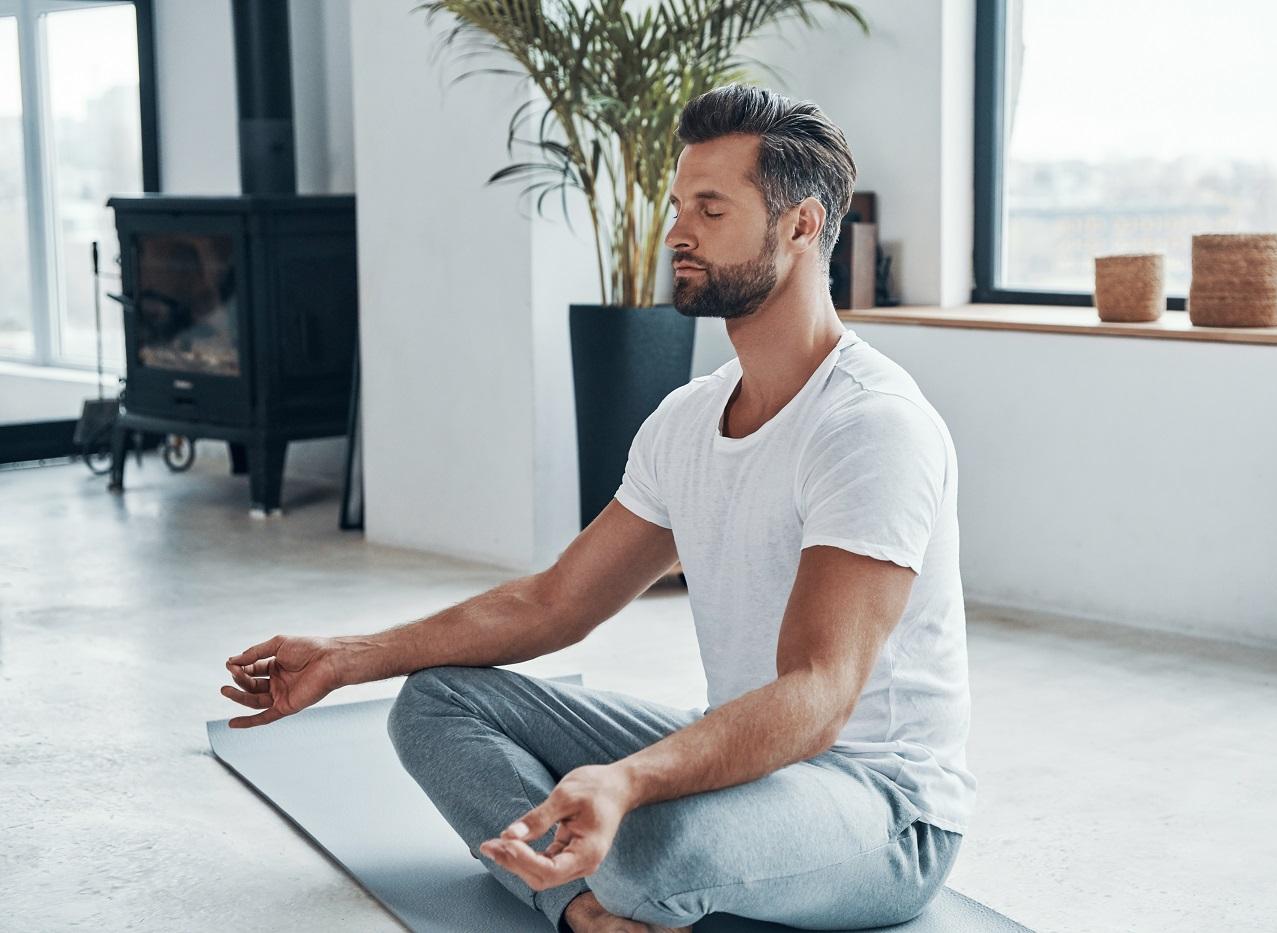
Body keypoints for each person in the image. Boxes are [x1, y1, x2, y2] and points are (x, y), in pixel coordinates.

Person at [221, 84, 975, 933]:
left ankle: (615, 876)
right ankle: (583, 906)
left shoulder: (870, 425)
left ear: (802, 227)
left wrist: (633, 778)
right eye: (679, 205)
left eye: (711, 209)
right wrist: (350, 655)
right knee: (432, 703)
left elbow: (819, 692)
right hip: (745, 756)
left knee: (650, 845)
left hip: (879, 804)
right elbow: (555, 602)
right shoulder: (688, 418)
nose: (678, 232)